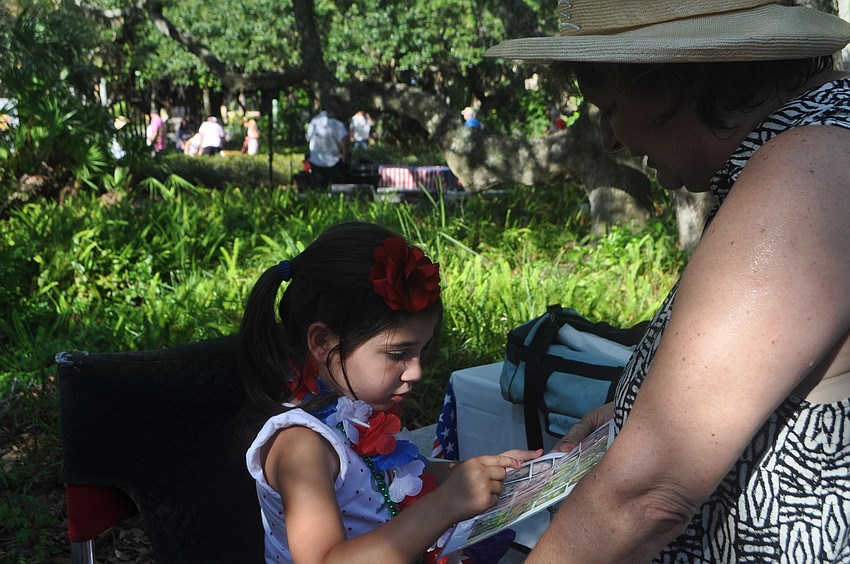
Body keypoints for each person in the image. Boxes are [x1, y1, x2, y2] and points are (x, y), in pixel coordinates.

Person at [486, 0, 850, 561]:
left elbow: (649, 496)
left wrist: (644, 458)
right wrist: (634, 413)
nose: (608, 139)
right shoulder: (820, 137)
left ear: (670, 82)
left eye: (610, 108)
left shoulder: (807, 169)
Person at [240, 222, 539, 563]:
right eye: (398, 353)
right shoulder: (300, 446)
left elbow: (383, 479)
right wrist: (446, 504)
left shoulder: (359, 412)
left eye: (421, 351)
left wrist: (480, 475)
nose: (416, 371)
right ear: (322, 342)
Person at [306, 110, 350, 186]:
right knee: (335, 188)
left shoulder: (314, 121)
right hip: (333, 162)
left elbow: (308, 138)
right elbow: (345, 140)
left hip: (316, 161)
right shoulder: (336, 123)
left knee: (318, 188)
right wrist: (344, 157)